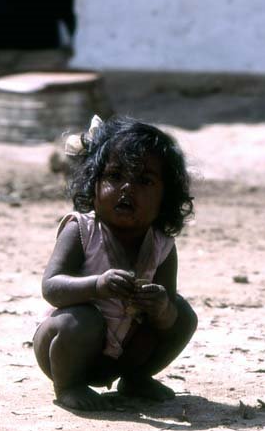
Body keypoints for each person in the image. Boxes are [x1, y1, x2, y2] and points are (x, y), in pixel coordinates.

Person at [33, 115, 198, 411]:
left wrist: (160, 306)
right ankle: (68, 386)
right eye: (114, 176)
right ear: (92, 183)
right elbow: (52, 286)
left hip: (125, 351)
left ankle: (136, 377)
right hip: (68, 349)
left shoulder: (161, 245)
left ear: (166, 198)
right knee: (81, 319)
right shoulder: (81, 230)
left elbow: (169, 315)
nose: (127, 188)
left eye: (144, 180)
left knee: (183, 314)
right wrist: (98, 285)